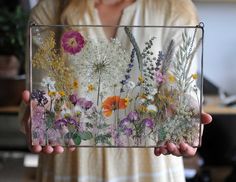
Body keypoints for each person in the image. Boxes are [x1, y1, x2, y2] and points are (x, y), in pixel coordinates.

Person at [21, 0, 212, 181]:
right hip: (73, 172)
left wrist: (184, 114)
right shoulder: (50, 10)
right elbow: (42, 93)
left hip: (150, 173)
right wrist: (39, 116)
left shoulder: (174, 8)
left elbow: (178, 88)